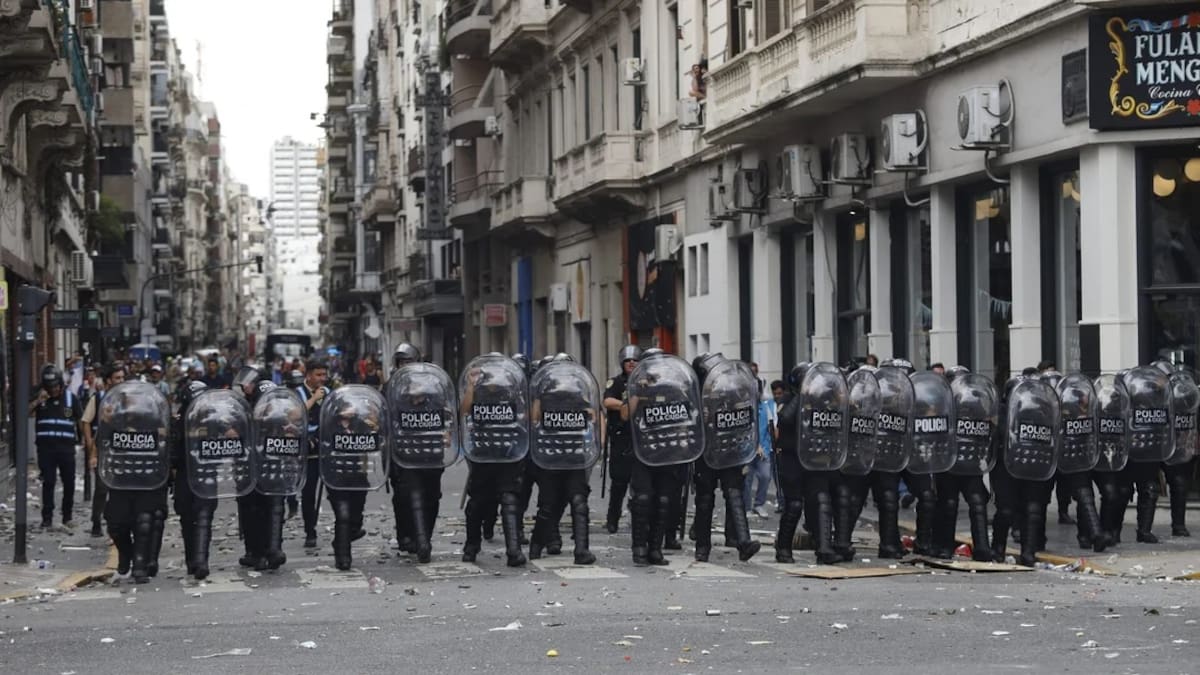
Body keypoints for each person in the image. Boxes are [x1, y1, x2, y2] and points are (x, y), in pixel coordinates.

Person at [29, 365, 83, 529]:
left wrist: (85, 441)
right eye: (49, 387)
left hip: (66, 449)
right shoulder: (41, 399)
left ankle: (67, 516)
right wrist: (39, 400)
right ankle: (47, 518)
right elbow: (27, 413)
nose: (53, 390)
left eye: (55, 386)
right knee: (49, 482)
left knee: (69, 482)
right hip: (46, 449)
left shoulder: (70, 399)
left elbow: (80, 420)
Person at [83, 365, 126, 537]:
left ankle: (116, 523)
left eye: (123, 378)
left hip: (121, 450)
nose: (121, 381)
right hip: (101, 450)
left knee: (120, 489)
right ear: (109, 380)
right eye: (117, 378)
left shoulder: (126, 399)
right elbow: (86, 421)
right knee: (101, 488)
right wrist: (89, 445)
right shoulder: (99, 398)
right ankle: (96, 522)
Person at [602, 346, 641, 533]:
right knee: (619, 482)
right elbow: (607, 402)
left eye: (635, 360)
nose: (631, 363)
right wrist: (625, 405)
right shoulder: (616, 383)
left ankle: (638, 518)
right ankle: (612, 518)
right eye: (628, 360)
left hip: (640, 438)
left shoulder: (644, 382)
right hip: (621, 437)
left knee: (639, 483)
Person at [295, 359, 330, 548]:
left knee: (336, 489)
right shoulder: (298, 393)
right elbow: (294, 415)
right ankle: (310, 530)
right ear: (308, 375)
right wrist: (314, 399)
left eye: (324, 375)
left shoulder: (328, 392)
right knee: (308, 493)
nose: (322, 379)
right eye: (318, 375)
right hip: (306, 452)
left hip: (325, 449)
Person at [744, 382, 774, 518]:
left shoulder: (766, 406)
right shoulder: (745, 408)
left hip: (764, 449)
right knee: (747, 480)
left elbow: (771, 427)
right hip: (747, 450)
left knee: (766, 476)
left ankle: (759, 504)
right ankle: (746, 507)